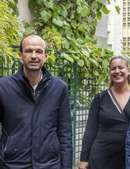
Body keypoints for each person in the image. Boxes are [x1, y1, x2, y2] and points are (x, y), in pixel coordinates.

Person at [0, 34, 72, 168]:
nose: (34, 56)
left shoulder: (59, 88)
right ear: (20, 55)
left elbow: (65, 133)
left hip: (50, 164)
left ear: (46, 56)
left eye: (39, 51)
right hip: (13, 164)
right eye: (28, 51)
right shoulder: (3, 87)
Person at [79, 56, 130, 169]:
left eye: (121, 67)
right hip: (102, 158)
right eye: (113, 68)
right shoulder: (100, 98)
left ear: (128, 70)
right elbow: (90, 130)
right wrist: (83, 159)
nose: (117, 71)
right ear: (109, 72)